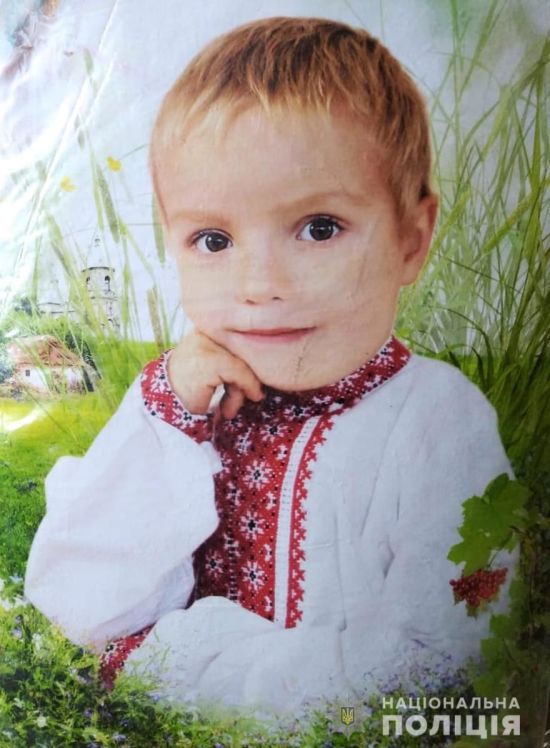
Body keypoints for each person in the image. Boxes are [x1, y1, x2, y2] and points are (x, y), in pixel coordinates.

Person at [24, 16, 517, 719]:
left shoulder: (440, 421)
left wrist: (173, 663)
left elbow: (436, 665)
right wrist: (166, 420)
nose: (260, 285)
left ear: (412, 240)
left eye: (319, 228)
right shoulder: (185, 402)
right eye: (213, 240)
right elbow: (78, 604)